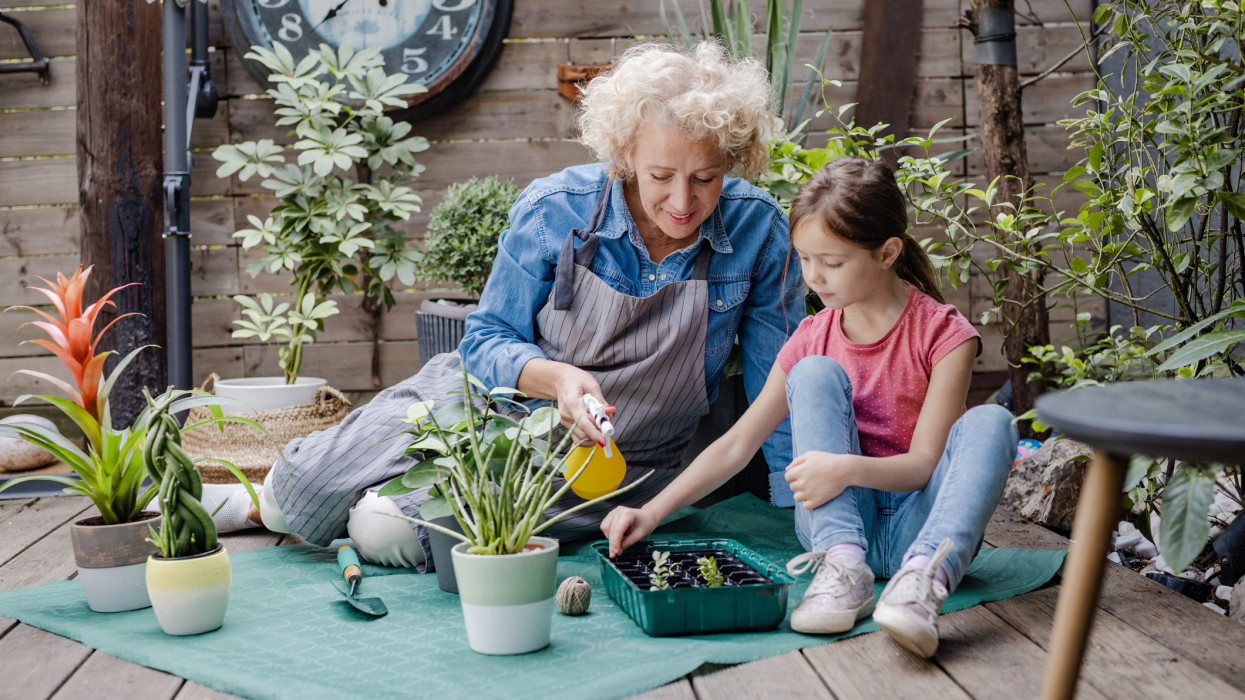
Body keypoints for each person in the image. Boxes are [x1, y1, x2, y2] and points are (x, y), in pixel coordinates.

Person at [236, 41, 805, 570]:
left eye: (705, 178)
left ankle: (372, 500)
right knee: (299, 494)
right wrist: (559, 380)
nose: (683, 202)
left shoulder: (759, 230)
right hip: (479, 406)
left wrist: (793, 508)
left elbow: (777, 383)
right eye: (661, 176)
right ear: (627, 151)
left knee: (386, 531)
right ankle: (247, 504)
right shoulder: (556, 209)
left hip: (607, 469)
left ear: (731, 159)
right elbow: (484, 341)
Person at [600, 156, 1016, 658]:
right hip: (837, 524)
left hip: (919, 525)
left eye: (833, 262)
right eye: (804, 259)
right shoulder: (811, 337)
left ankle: (922, 584)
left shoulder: (944, 335)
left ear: (887, 253)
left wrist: (843, 469)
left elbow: (925, 467)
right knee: (815, 373)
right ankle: (842, 568)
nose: (815, 277)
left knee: (993, 421)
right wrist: (650, 513)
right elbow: (737, 444)